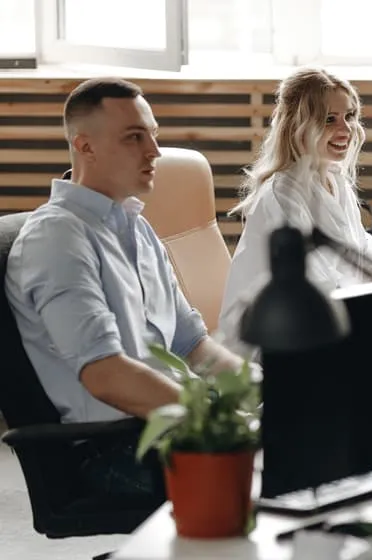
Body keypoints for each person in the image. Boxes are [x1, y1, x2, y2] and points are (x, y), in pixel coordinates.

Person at [5, 77, 247, 497]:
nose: (154, 151)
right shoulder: (58, 238)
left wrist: (256, 390)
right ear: (85, 147)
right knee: (287, 472)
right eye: (134, 137)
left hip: (173, 426)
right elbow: (106, 375)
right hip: (117, 449)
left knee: (313, 434)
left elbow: (192, 344)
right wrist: (217, 422)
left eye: (153, 135)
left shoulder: (138, 228)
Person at [218, 68, 372, 355]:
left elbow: (361, 256)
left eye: (349, 116)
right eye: (329, 119)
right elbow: (321, 291)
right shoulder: (282, 195)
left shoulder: (335, 180)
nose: (345, 129)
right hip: (275, 344)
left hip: (328, 329)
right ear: (299, 125)